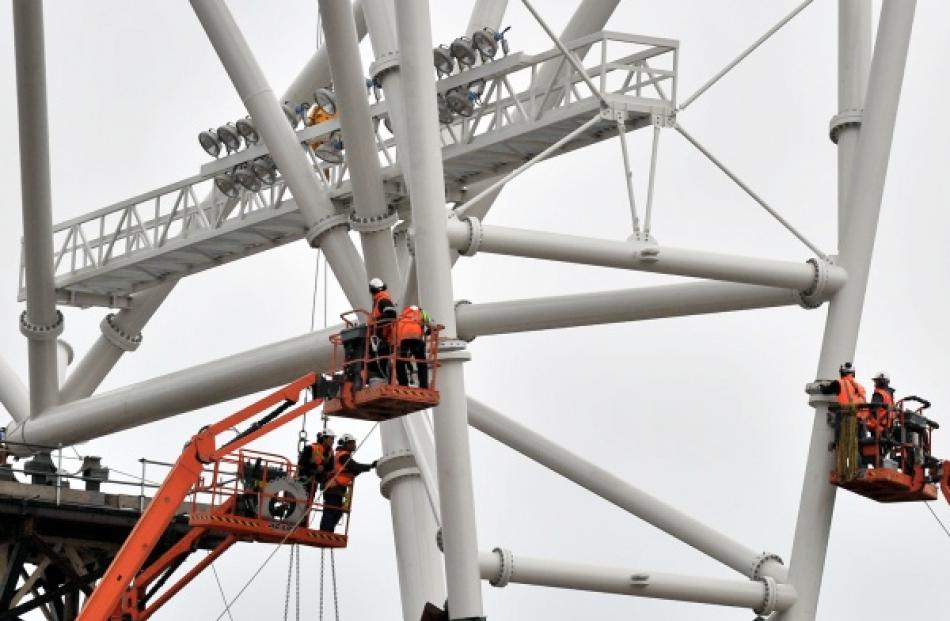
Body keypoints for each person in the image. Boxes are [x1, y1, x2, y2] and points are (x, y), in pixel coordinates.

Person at [319, 433, 377, 532]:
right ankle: (326, 530)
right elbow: (354, 466)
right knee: (332, 509)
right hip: (334, 487)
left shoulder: (341, 456)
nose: (354, 445)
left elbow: (352, 470)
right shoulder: (343, 456)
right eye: (352, 443)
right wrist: (370, 466)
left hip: (337, 487)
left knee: (336, 511)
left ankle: (328, 530)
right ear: (346, 443)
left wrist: (358, 470)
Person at [395, 305, 432, 389]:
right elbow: (431, 323)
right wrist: (428, 332)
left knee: (400, 362)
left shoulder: (403, 314)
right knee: (421, 363)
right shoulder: (421, 312)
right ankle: (423, 386)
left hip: (403, 339)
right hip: (416, 338)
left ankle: (403, 384)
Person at [368, 278, 397, 381]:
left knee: (381, 361)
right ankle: (378, 378)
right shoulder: (378, 302)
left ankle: (383, 379)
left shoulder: (383, 300)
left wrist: (375, 322)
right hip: (381, 338)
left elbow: (391, 314)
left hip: (385, 339)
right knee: (374, 361)